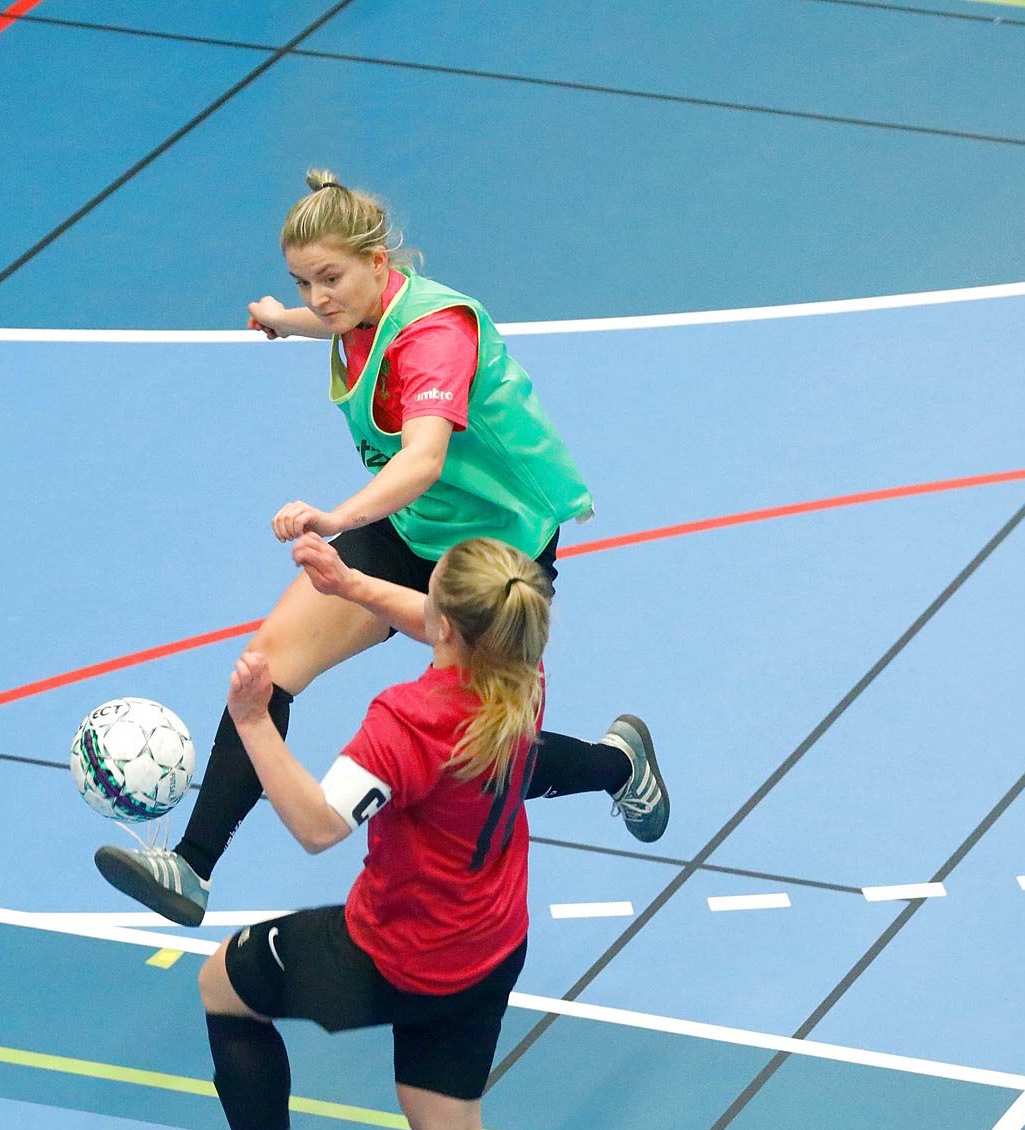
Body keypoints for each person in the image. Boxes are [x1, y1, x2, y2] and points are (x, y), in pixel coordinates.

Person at [96, 170, 667, 926]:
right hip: (412, 526)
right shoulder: (350, 309)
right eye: (303, 282)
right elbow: (336, 325)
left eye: (329, 278)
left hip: (494, 554)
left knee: (483, 754)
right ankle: (192, 868)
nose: (319, 296)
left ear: (378, 261)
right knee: (267, 667)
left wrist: (334, 517)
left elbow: (424, 456)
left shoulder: (435, 334)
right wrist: (282, 319)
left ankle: (619, 765)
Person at [200, 536, 605, 1130]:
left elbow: (317, 825)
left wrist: (253, 723)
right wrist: (351, 584)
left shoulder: (408, 722)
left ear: (444, 624)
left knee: (223, 987)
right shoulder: (520, 670)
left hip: (397, 955)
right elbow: (442, 624)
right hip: (492, 942)